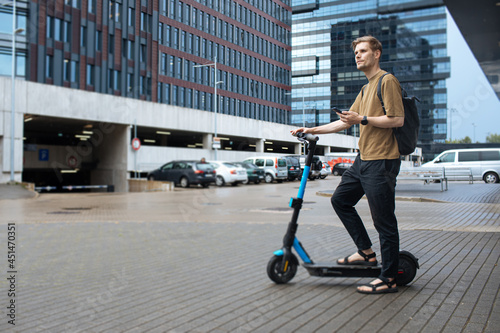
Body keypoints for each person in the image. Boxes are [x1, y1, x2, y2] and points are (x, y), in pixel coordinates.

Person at [291, 36, 404, 294]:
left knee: (383, 221)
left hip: (381, 161)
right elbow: (345, 122)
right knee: (340, 200)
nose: (358, 55)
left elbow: (397, 119)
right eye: (356, 52)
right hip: (362, 160)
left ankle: (388, 278)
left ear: (377, 53)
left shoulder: (387, 81)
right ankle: (366, 252)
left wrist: (362, 118)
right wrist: (311, 128)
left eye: (363, 51)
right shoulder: (365, 89)